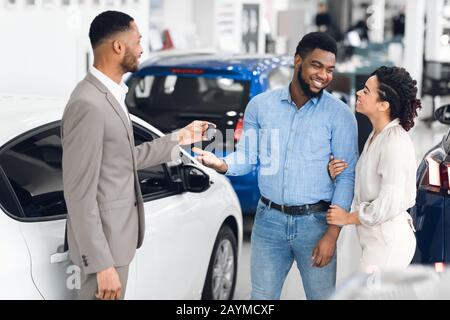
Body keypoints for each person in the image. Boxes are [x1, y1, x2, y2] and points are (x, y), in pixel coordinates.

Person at [193, 32, 358, 300]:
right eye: (316, 65)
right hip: (268, 221)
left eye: (329, 69)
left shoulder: (340, 116)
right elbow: (247, 156)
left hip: (315, 223)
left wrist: (332, 234)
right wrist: (222, 163)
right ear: (298, 61)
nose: (323, 75)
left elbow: (346, 177)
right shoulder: (261, 106)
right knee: (261, 298)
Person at [62, 11, 211, 300]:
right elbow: (79, 194)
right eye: (138, 40)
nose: (142, 48)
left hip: (116, 243)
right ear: (118, 47)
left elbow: (122, 159)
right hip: (103, 250)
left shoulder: (110, 95)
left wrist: (180, 137)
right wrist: (102, 264)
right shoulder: (88, 104)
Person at [327, 66, 421, 271]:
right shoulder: (377, 135)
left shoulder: (394, 142)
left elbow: (389, 201)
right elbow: (369, 185)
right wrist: (338, 174)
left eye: (367, 91)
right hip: (375, 239)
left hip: (388, 242)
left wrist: (347, 218)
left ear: (383, 105)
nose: (359, 93)